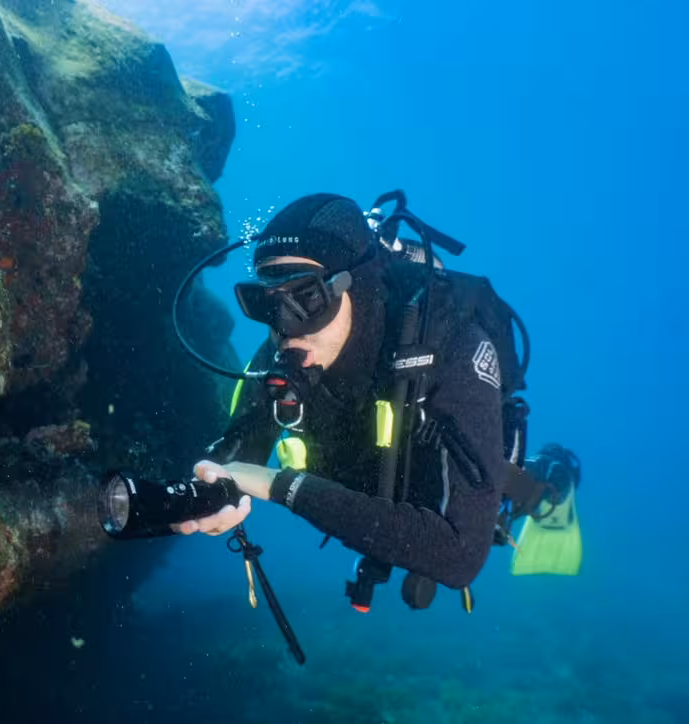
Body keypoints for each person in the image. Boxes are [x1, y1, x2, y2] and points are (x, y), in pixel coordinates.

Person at [175, 193, 582, 596]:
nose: (285, 327)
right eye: (265, 303)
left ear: (355, 285)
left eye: (306, 297)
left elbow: (460, 557)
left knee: (507, 484)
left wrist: (279, 485)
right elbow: (238, 453)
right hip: (362, 485)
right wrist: (212, 492)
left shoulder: (452, 343)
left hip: (434, 481)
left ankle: (552, 479)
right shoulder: (286, 345)